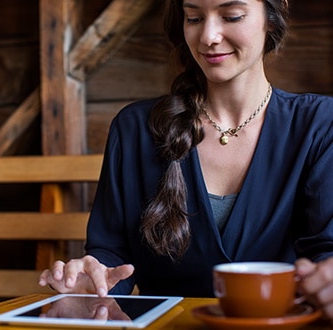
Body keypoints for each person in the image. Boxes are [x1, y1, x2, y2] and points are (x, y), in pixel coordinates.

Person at [39, 0, 333, 320]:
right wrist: (90, 280)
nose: (208, 36)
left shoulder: (319, 124)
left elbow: (326, 252)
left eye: (231, 16)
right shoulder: (134, 128)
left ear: (271, 19)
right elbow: (111, 255)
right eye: (193, 18)